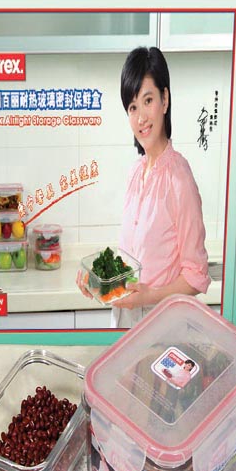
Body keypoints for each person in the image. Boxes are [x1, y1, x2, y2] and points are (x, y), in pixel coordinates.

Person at [76, 46, 210, 328]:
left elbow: (196, 276)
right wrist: (98, 279)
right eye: (132, 107)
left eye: (148, 100)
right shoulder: (136, 172)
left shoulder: (179, 179)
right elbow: (130, 258)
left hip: (161, 327)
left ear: (165, 99)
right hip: (125, 323)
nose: (140, 118)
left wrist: (149, 296)